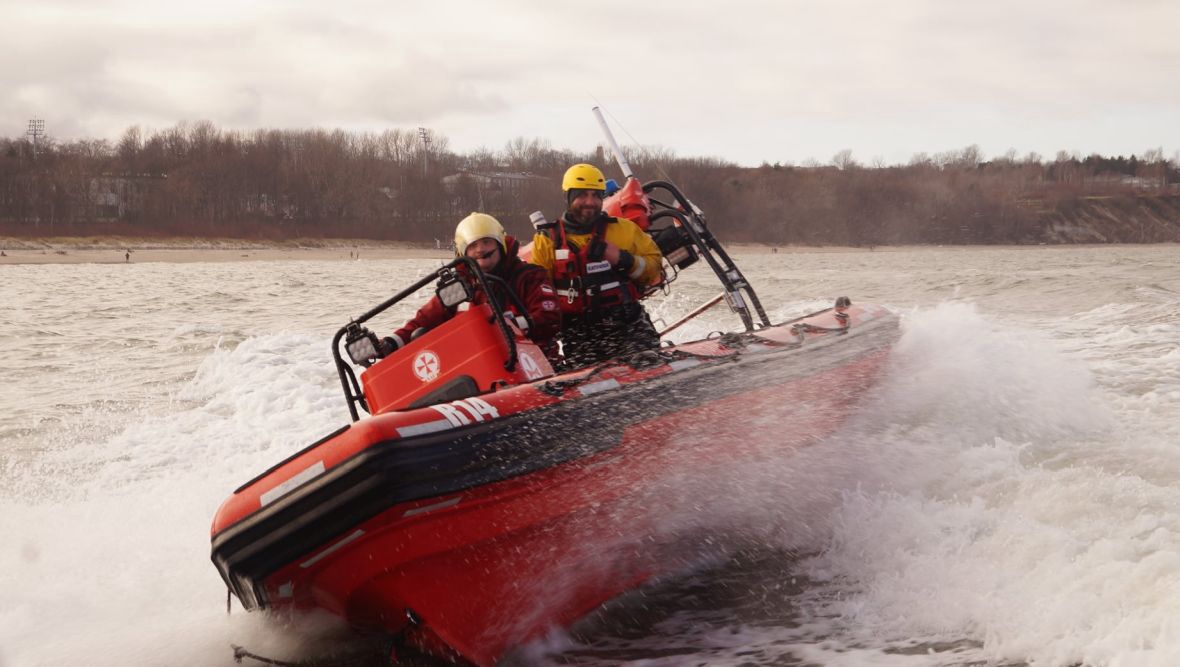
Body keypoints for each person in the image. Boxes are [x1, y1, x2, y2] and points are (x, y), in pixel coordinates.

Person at [529, 163, 663, 368]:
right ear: (569, 196)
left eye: (596, 195)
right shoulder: (547, 240)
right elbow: (536, 294)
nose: (590, 202)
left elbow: (654, 267)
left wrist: (622, 258)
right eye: (583, 195)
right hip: (580, 334)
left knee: (648, 372)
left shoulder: (624, 230)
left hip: (628, 324)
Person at [389, 213, 561, 359]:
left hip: (533, 362)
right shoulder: (463, 285)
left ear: (500, 245)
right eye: (473, 246)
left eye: (487, 242)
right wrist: (393, 341)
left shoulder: (530, 277)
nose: (480, 250)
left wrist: (508, 326)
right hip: (484, 365)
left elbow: (549, 318)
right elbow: (427, 317)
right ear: (463, 252)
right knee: (420, 334)